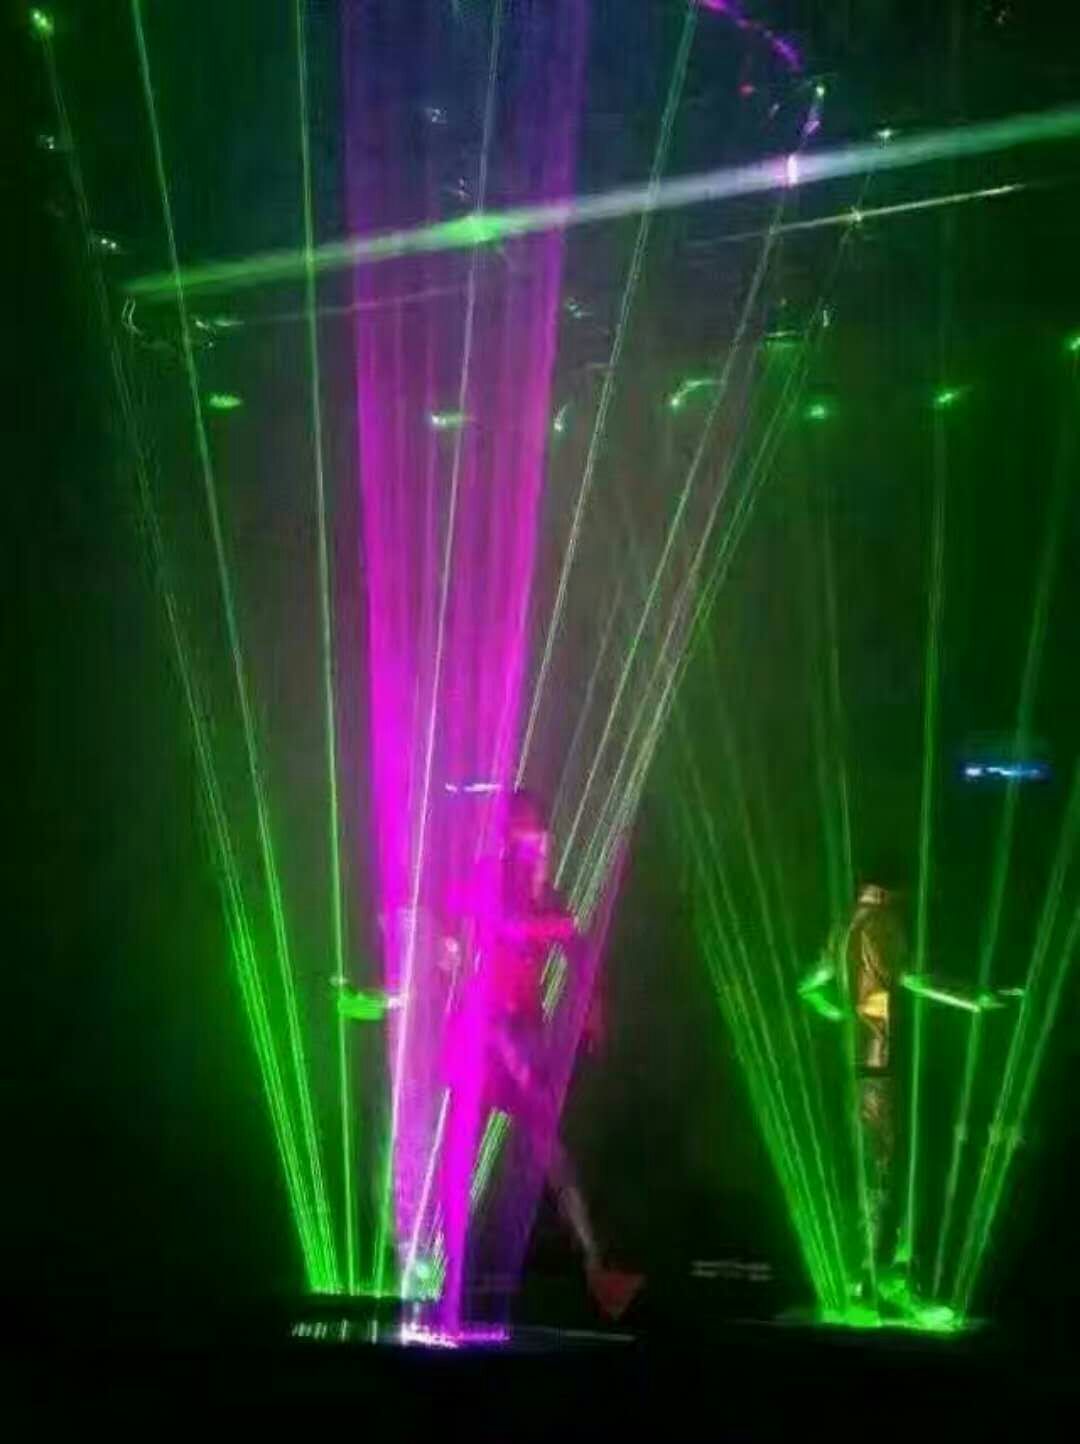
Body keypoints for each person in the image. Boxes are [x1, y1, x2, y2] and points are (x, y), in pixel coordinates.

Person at [799, 872, 1020, 1308]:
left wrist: (837, 1014)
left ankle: (875, 1275)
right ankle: (876, 1278)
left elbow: (808, 984)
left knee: (876, 1161)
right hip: (879, 1063)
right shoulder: (883, 923)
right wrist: (977, 998)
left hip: (860, 1063)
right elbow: (916, 977)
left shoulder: (844, 924)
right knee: (885, 1165)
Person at [478, 788, 639, 1319]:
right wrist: (555, 926)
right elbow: (506, 927)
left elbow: (579, 950)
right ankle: (431, 1257)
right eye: (531, 844)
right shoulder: (492, 886)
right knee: (464, 1146)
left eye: (543, 844)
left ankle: (593, 1263)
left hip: (523, 1034)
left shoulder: (545, 897)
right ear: (509, 843)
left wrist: (594, 1004)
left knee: (550, 1151)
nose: (540, 854)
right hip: (488, 1036)